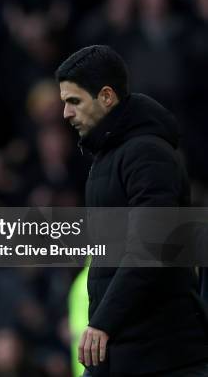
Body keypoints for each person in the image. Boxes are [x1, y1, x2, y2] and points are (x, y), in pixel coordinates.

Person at [57, 45, 208, 376]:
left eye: (74, 102)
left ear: (107, 97)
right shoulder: (107, 158)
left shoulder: (147, 154)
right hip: (124, 353)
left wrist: (103, 322)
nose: (66, 113)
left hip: (161, 355)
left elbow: (150, 247)